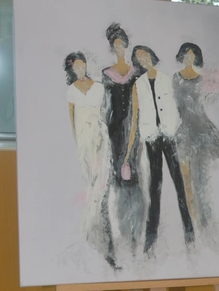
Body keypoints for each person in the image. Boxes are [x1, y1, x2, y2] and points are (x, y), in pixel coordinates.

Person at [124, 45, 195, 253]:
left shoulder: (166, 79)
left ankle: (189, 231)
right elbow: (135, 115)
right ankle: (151, 237)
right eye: (139, 58)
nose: (143, 60)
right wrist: (132, 146)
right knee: (154, 187)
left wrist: (174, 129)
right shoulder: (138, 84)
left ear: (151, 56)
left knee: (179, 183)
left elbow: (177, 107)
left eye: (145, 56)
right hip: (151, 138)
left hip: (169, 135)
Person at [64, 51, 116, 267]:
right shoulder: (71, 90)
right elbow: (72, 120)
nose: (80, 69)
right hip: (84, 141)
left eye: (82, 65)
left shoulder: (99, 87)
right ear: (71, 69)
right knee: (90, 185)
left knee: (101, 184)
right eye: (75, 66)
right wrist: (79, 144)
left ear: (86, 65)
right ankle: (90, 234)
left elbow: (105, 112)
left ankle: (99, 233)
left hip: (100, 136)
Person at [172, 41, 219, 235]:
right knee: (185, 179)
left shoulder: (202, 80)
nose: (189, 58)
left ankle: (204, 220)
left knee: (201, 178)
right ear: (182, 56)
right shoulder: (175, 78)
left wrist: (216, 85)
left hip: (201, 131)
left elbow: (208, 101)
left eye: (192, 55)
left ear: (196, 57)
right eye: (186, 54)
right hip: (183, 130)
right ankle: (190, 220)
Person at [101, 23, 145, 250]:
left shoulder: (135, 72)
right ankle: (122, 226)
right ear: (112, 47)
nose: (119, 48)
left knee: (132, 171)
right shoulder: (106, 74)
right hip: (114, 128)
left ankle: (135, 227)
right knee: (117, 173)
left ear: (126, 46)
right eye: (115, 45)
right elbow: (106, 105)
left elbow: (140, 104)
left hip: (133, 126)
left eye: (122, 45)